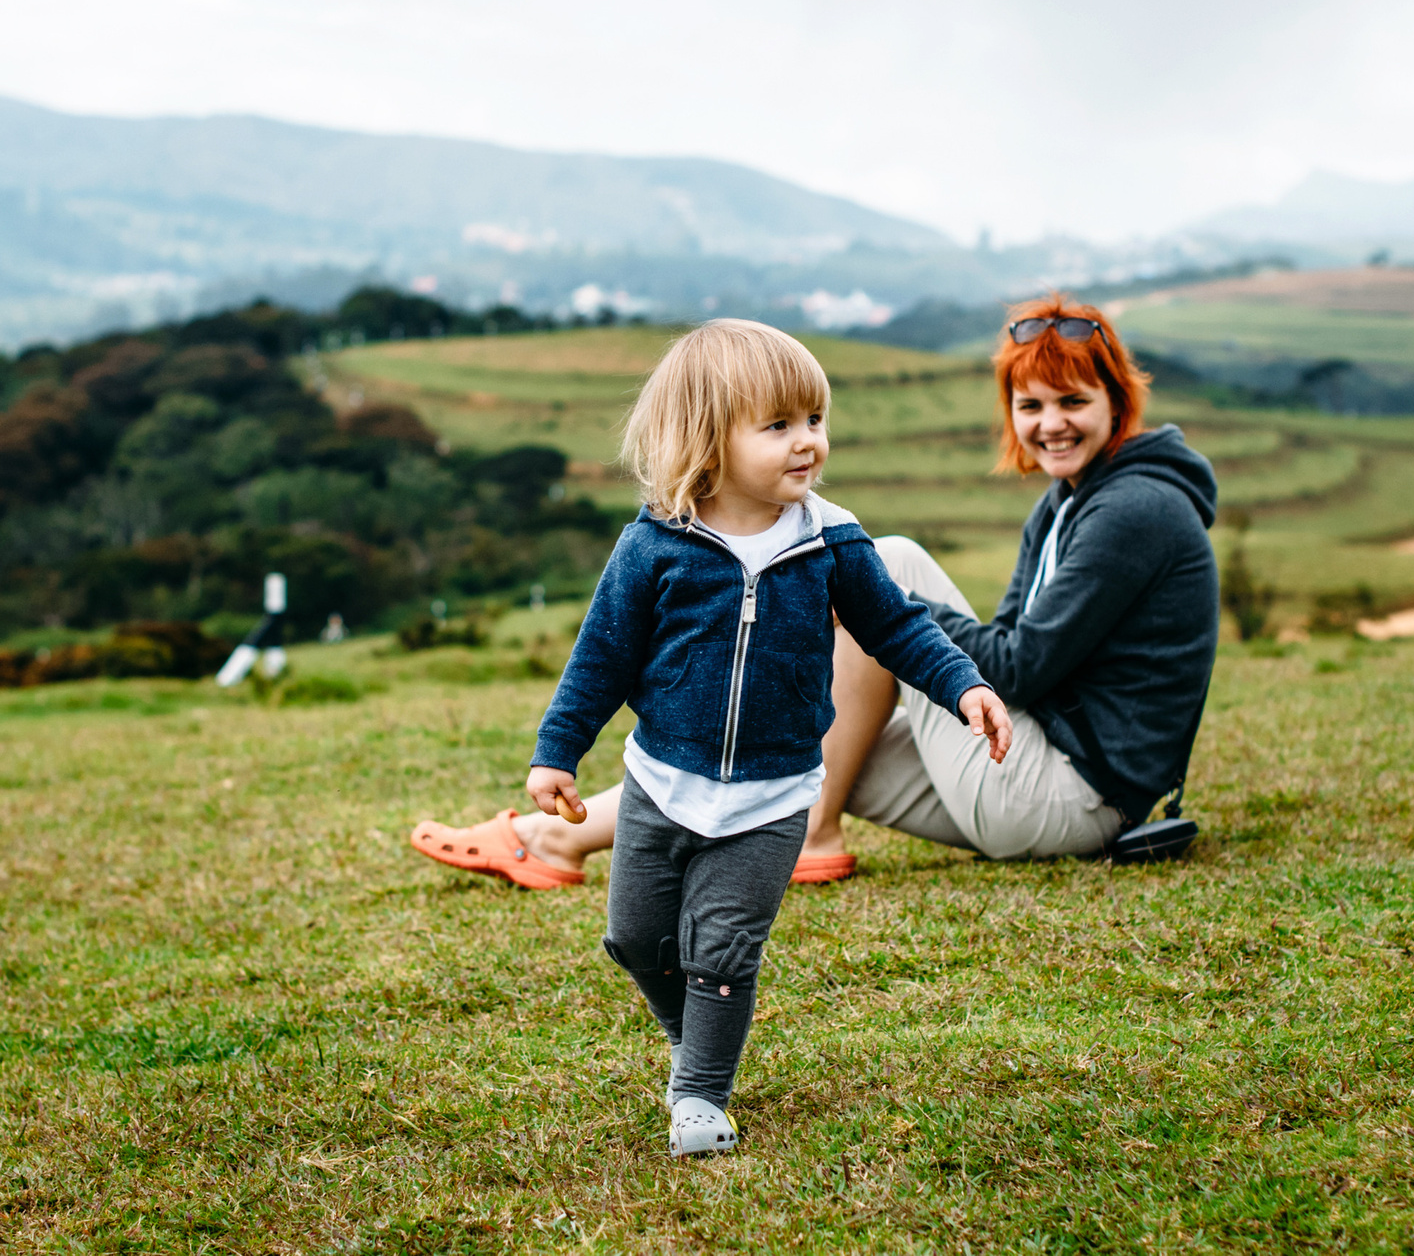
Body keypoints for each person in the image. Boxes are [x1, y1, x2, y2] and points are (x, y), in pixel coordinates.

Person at [412, 291, 1217, 881]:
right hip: (1037, 764)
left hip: (1073, 794)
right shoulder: (1072, 498)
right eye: (1030, 403)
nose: (1050, 423)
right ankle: (556, 840)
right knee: (800, 743)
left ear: (1120, 398)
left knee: (885, 559)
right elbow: (1017, 646)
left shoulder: (1135, 509)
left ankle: (811, 833)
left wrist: (871, 605)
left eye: (1074, 400)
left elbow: (1019, 665)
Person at [517, 319, 1011, 1158]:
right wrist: (555, 750)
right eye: (778, 425)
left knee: (722, 947)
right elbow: (600, 655)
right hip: (660, 782)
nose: (807, 442)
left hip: (774, 794)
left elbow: (898, 627)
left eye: (814, 419)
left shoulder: (830, 538)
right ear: (710, 437)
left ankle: (700, 1090)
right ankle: (698, 1034)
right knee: (635, 937)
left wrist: (964, 684)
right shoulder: (654, 544)